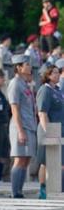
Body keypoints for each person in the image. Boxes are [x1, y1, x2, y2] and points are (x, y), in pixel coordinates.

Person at [9, 55, 37, 198]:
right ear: (19, 67)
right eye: (26, 64)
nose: (29, 66)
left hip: (29, 125)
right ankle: (15, 192)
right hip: (20, 126)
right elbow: (15, 108)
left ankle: (19, 190)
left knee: (26, 159)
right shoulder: (15, 83)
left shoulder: (25, 84)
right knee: (19, 158)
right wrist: (20, 131)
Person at [35, 65, 64, 199]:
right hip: (48, 131)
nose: (57, 75)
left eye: (58, 73)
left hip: (59, 131)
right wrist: (49, 132)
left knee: (59, 161)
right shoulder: (45, 90)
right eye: (54, 73)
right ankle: (43, 188)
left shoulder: (57, 90)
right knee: (45, 162)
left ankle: (57, 187)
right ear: (47, 75)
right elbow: (42, 113)